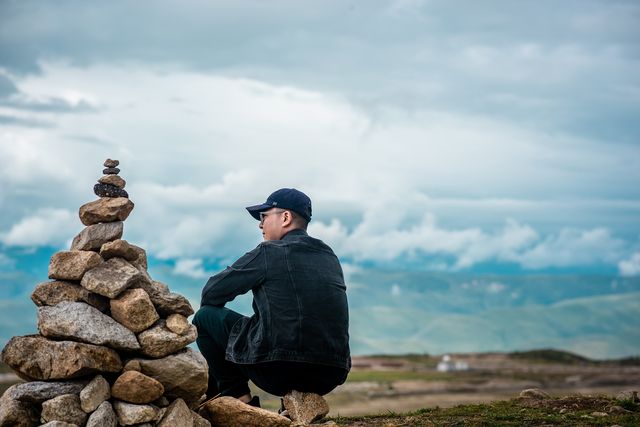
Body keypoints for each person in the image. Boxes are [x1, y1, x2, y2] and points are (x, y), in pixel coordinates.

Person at [192, 188, 351, 407]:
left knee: (205, 317)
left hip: (278, 369)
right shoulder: (329, 256)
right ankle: (291, 409)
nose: (260, 224)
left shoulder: (270, 252)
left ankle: (239, 400)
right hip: (332, 372)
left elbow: (212, 292)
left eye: (264, 216)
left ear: (285, 217)